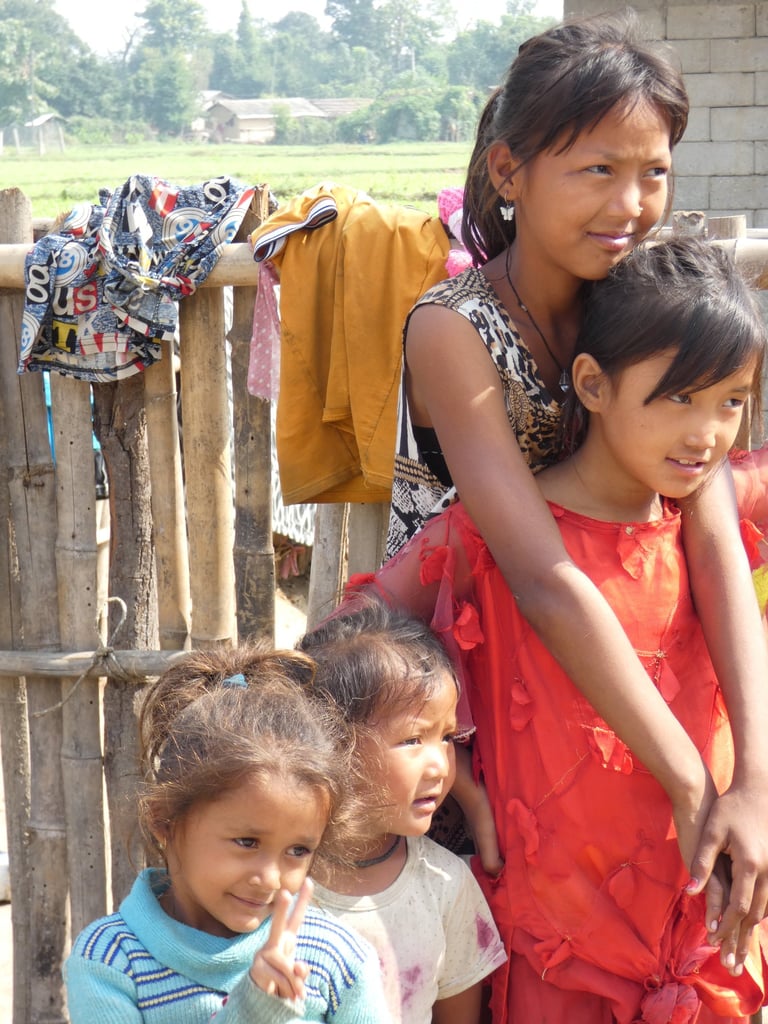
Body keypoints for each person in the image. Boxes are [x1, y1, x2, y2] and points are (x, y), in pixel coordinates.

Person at [385, 8, 768, 973]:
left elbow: (713, 532)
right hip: (481, 676)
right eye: (597, 169)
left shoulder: (638, 295)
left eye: (654, 173)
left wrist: (755, 780)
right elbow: (541, 577)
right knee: (496, 955)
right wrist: (693, 783)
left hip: (624, 672)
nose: (630, 204)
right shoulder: (455, 328)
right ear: (509, 172)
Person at [355, 238, 768, 1023]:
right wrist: (452, 765)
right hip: (558, 943)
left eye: (731, 401)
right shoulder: (491, 541)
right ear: (593, 384)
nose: (707, 434)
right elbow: (348, 645)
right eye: (679, 398)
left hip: (709, 921)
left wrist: (758, 786)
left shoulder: (708, 530)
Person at [64, 646, 389, 1024]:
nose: (270, 878)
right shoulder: (109, 961)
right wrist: (254, 1010)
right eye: (247, 842)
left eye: (298, 850)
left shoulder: (337, 960)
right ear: (164, 821)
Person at [298, 599, 507, 1024]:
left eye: (447, 737)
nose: (441, 766)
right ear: (333, 742)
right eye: (413, 740)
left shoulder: (445, 886)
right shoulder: (276, 877)